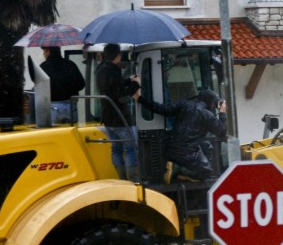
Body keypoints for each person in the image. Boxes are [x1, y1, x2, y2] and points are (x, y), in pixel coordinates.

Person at [133, 87, 227, 183]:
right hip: (187, 152)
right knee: (206, 172)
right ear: (210, 102)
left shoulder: (184, 104)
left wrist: (140, 99)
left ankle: (179, 172)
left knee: (205, 145)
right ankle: (177, 170)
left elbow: (162, 109)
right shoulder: (206, 115)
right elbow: (222, 132)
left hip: (170, 148)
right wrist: (222, 113)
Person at [95, 43, 140, 180]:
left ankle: (121, 177)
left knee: (116, 149)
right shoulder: (114, 71)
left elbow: (113, 87)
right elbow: (122, 97)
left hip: (108, 118)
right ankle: (133, 179)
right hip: (121, 118)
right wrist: (135, 85)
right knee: (131, 148)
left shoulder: (100, 70)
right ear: (118, 56)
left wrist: (128, 80)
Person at [39, 46, 85, 123]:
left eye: (44, 51)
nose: (43, 54)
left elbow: (39, 88)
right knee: (71, 131)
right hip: (71, 105)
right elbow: (81, 84)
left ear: (48, 51)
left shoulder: (43, 67)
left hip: (52, 107)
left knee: (55, 133)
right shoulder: (70, 64)